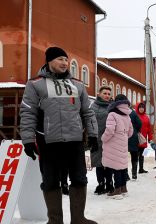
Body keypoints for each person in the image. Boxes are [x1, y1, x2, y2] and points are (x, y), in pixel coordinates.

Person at [20, 46, 98, 223]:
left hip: (75, 141)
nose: (64, 62)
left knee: (79, 179)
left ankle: (78, 219)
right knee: (50, 181)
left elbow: (87, 112)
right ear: (49, 61)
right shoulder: (35, 84)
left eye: (66, 59)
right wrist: (28, 140)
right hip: (48, 141)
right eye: (59, 59)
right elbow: (27, 112)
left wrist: (93, 134)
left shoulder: (78, 84)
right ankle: (55, 220)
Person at [101, 94, 133, 199]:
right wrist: (124, 136)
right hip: (123, 143)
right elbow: (131, 131)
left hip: (112, 144)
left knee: (116, 168)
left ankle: (117, 190)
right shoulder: (127, 115)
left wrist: (103, 138)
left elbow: (110, 130)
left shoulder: (112, 114)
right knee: (122, 167)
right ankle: (124, 189)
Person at [90, 86, 114, 195]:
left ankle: (109, 183)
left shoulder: (113, 107)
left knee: (109, 162)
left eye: (109, 94)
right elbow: (88, 121)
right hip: (96, 139)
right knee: (98, 162)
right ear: (99, 94)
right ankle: (100, 183)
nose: (107, 95)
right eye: (105, 93)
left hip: (110, 139)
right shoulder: (93, 107)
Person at [135, 102, 153, 174]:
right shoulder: (135, 116)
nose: (141, 109)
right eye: (140, 107)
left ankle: (141, 169)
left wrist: (150, 137)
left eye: (143, 107)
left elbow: (149, 128)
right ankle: (134, 169)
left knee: (142, 155)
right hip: (136, 138)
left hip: (143, 139)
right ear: (137, 108)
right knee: (135, 155)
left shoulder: (146, 117)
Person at [128, 106, 142, 180]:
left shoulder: (119, 112)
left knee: (122, 156)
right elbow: (139, 123)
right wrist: (136, 130)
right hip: (133, 135)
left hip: (123, 136)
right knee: (134, 155)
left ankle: (125, 174)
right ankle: (134, 173)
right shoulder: (133, 113)